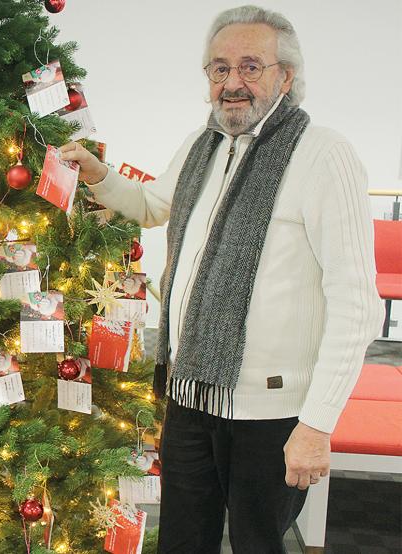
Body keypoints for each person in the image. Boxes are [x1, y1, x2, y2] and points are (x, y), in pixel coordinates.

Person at [60, 6, 381, 552]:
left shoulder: (324, 154)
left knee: (258, 543)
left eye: (251, 67)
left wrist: (318, 424)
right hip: (192, 395)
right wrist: (98, 173)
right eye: (219, 68)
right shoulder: (201, 145)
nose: (233, 82)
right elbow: (150, 204)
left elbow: (356, 304)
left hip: (273, 414)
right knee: (183, 540)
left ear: (287, 77)